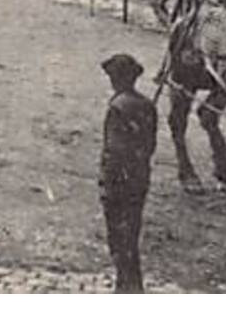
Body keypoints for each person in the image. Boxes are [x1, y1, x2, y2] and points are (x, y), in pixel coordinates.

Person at [99, 52, 156, 293]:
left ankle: (127, 288)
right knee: (131, 233)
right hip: (140, 178)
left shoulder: (117, 108)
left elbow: (113, 150)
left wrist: (106, 182)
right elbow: (150, 145)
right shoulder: (147, 105)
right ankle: (130, 286)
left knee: (118, 238)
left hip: (119, 181)